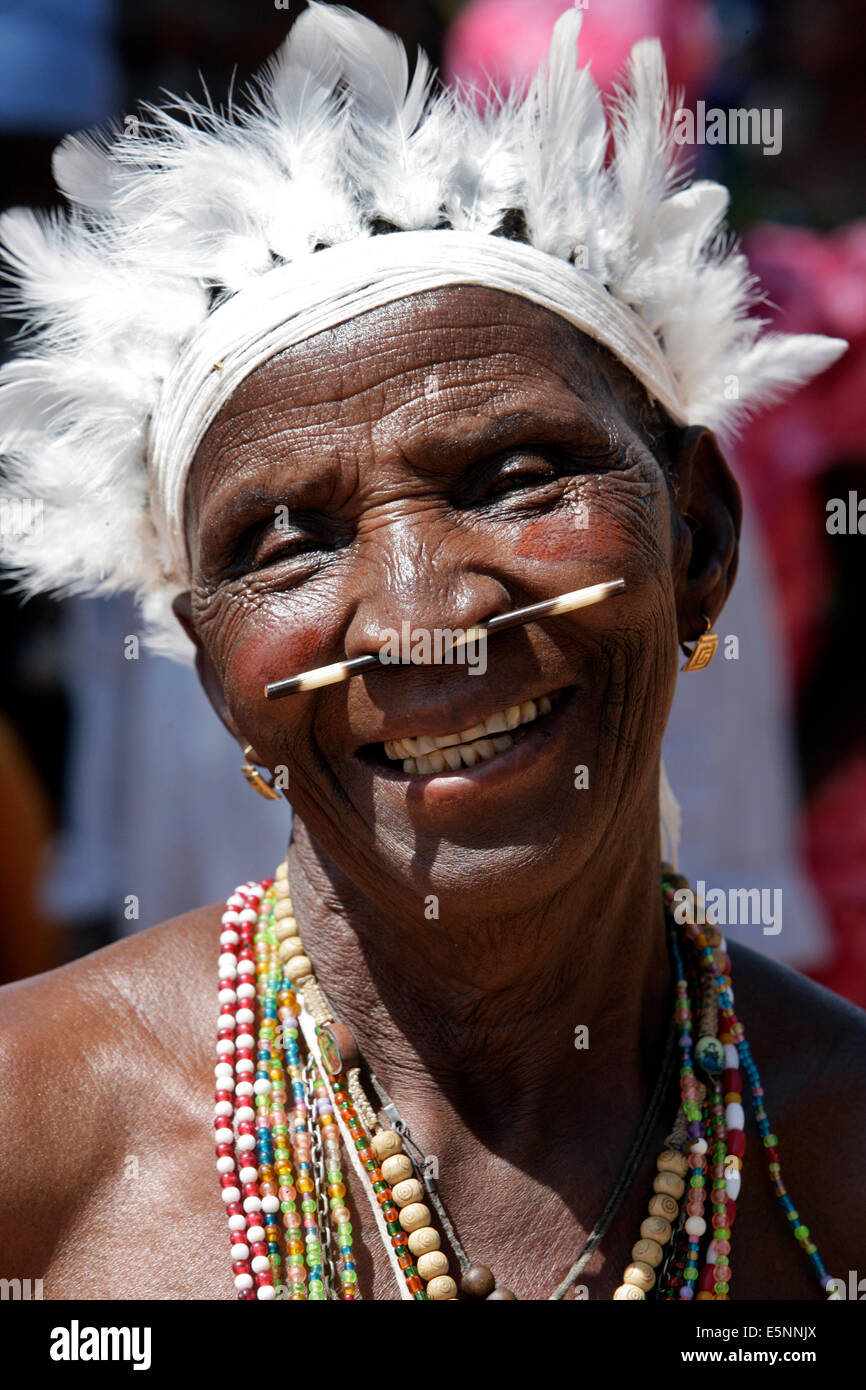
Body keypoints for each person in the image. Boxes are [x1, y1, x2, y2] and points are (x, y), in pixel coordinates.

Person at [0, 2, 863, 1302]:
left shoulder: (835, 1155)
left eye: (514, 478)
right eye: (286, 539)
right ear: (210, 661)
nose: (417, 617)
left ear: (696, 535)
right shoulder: (37, 1141)